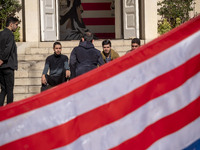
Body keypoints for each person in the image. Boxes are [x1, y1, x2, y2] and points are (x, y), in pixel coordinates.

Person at [0, 17, 19, 106]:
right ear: (11, 24)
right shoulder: (10, 35)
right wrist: (2, 59)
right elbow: (8, 49)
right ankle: (9, 111)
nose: (17, 26)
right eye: (16, 24)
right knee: (10, 90)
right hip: (8, 65)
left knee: (3, 89)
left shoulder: (1, 33)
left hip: (1, 67)